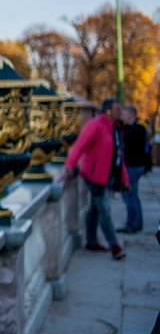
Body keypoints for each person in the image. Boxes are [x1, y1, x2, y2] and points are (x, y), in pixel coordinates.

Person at [63, 98, 130, 260]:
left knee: (94, 208)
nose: (120, 112)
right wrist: (70, 164)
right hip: (93, 176)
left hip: (107, 176)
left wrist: (124, 178)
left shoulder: (115, 128)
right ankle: (114, 246)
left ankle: (91, 243)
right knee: (104, 209)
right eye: (117, 109)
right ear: (108, 111)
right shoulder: (95, 125)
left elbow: (118, 157)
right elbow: (79, 145)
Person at [118, 106, 151, 234]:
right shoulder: (133, 128)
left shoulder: (137, 128)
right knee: (133, 196)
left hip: (133, 166)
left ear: (131, 115)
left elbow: (127, 141)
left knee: (129, 195)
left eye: (124, 114)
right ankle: (136, 224)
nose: (122, 117)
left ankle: (132, 225)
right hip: (134, 166)